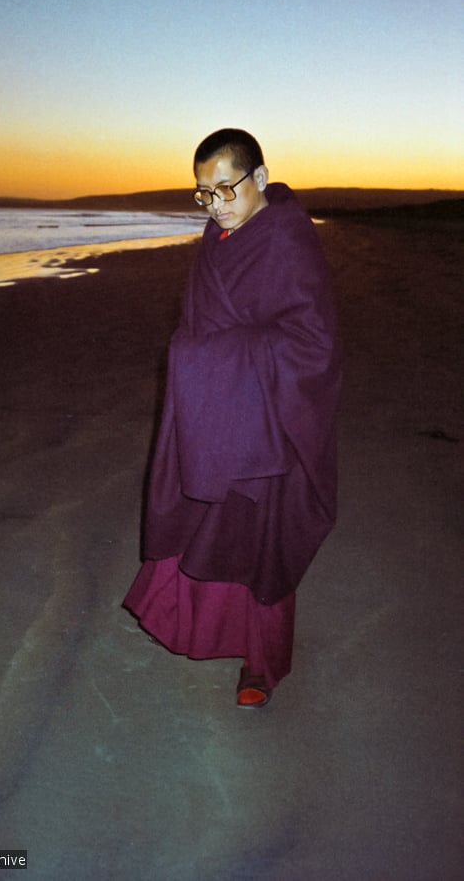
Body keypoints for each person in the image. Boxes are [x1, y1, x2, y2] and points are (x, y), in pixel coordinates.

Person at [123, 128, 341, 708]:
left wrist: (210, 358)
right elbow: (201, 316)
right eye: (203, 194)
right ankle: (201, 627)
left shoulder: (287, 241)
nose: (216, 204)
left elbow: (314, 344)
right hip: (218, 414)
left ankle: (262, 666)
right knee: (208, 525)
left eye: (226, 188)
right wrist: (198, 359)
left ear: (261, 179)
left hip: (272, 420)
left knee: (263, 542)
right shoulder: (218, 235)